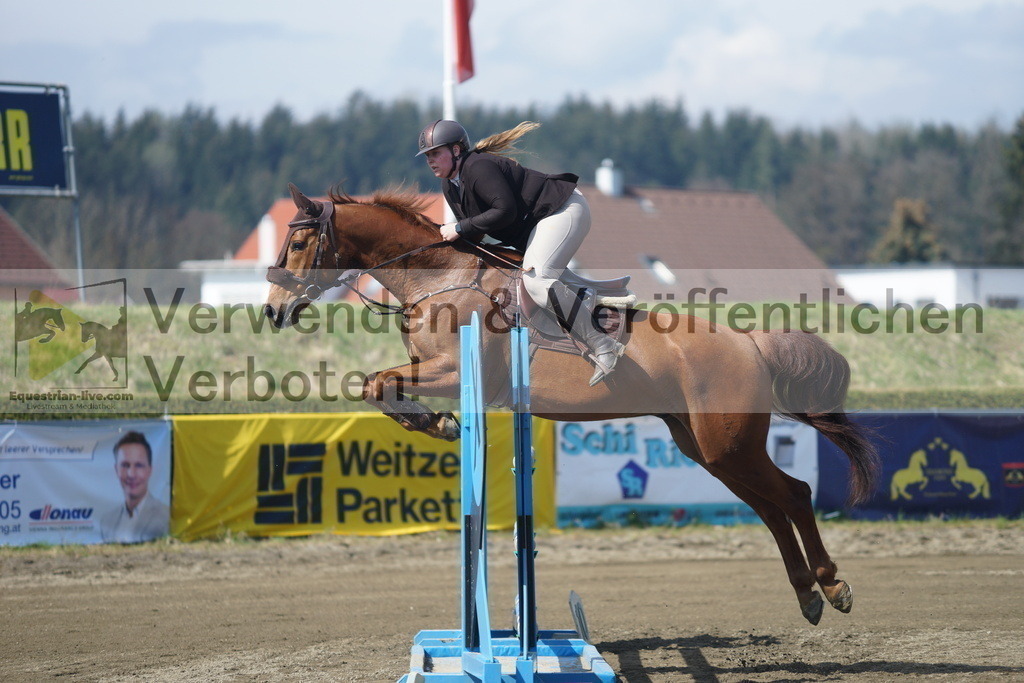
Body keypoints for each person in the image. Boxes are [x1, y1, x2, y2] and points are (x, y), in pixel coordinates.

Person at [417, 119, 625, 385]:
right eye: (427, 156)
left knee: (537, 282)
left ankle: (604, 346)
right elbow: (475, 232)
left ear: (457, 151)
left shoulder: (479, 167)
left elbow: (504, 212)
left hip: (562, 210)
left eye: (436, 153)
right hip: (539, 225)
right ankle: (586, 297)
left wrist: (459, 227)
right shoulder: (451, 185)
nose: (430, 161)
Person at [100, 431, 169, 543]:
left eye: (139, 465)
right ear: (116, 469)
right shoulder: (107, 521)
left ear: (149, 470)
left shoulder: (165, 517)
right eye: (125, 465)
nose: (131, 474)